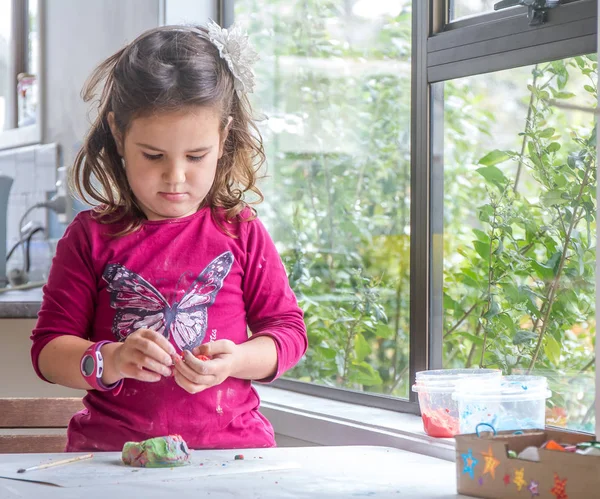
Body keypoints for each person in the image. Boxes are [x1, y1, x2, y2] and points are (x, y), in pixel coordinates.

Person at [30, 21, 307, 452]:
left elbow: (287, 332)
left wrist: (239, 360)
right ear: (119, 135)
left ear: (223, 137)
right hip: (112, 460)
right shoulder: (90, 239)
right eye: (153, 155)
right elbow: (49, 352)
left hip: (232, 454)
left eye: (196, 156)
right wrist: (112, 358)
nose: (175, 177)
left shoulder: (242, 231)